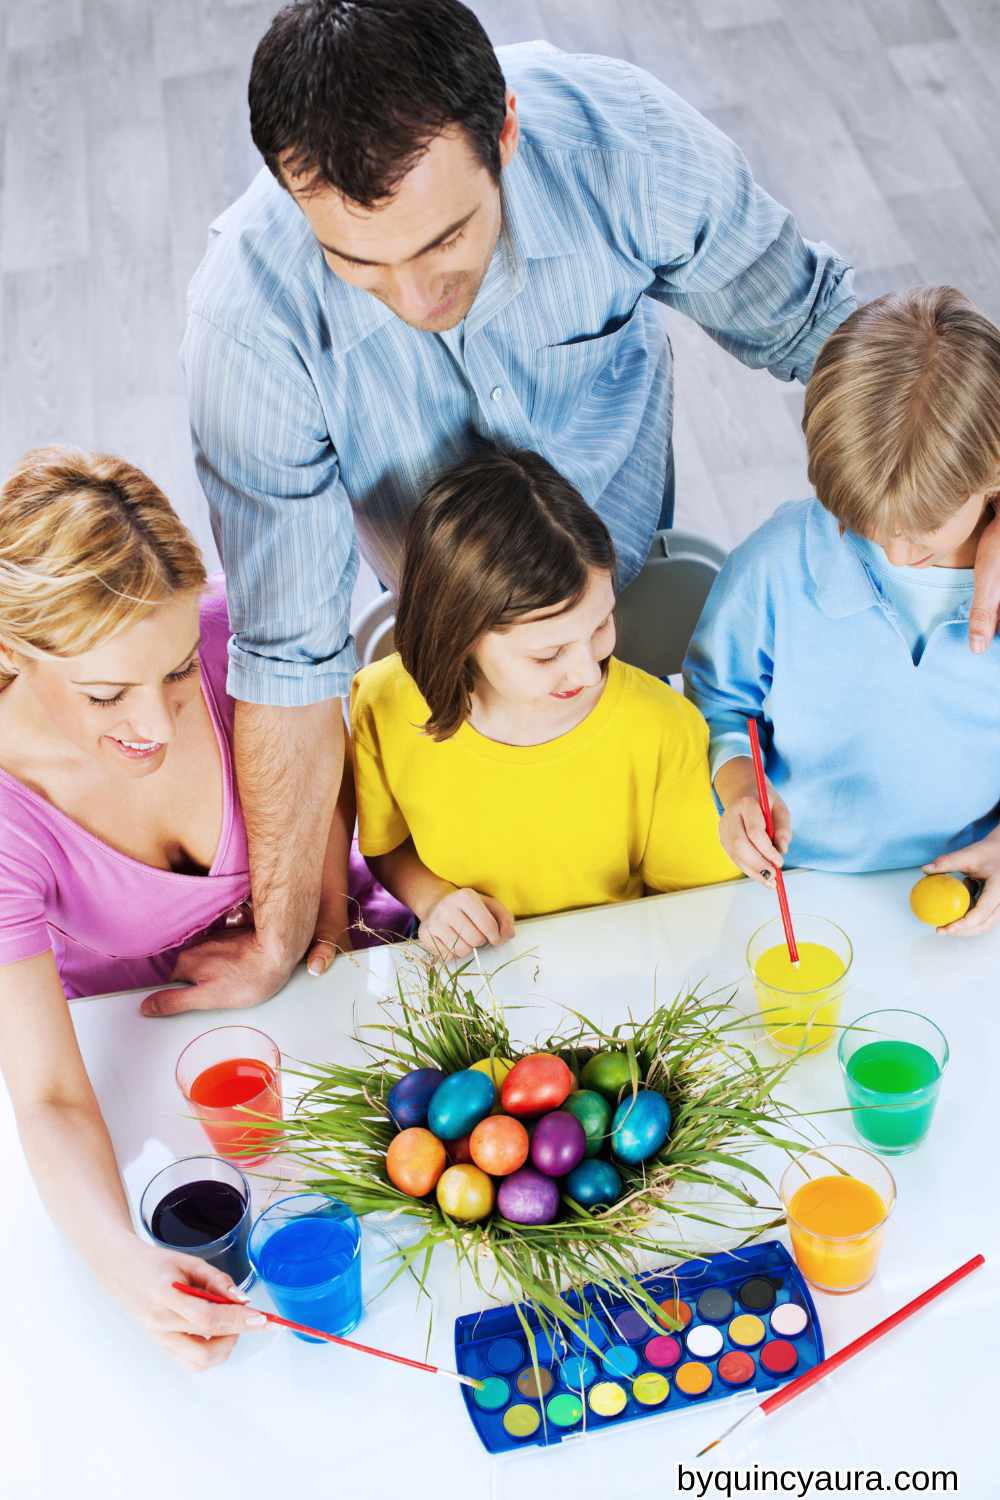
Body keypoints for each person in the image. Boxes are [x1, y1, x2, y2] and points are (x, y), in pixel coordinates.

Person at [178, 0, 863, 1010]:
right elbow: (287, 655)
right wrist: (282, 928)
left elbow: (822, 330)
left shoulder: (621, 146)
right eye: (358, 263)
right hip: (436, 618)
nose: (414, 299)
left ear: (503, 129)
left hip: (620, 568)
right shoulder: (248, 323)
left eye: (446, 240)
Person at [0, 447, 351, 1367]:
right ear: (9, 651)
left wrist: (319, 920)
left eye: (174, 673)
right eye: (107, 693)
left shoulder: (233, 628)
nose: (155, 725)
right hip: (151, 1050)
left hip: (317, 985)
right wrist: (128, 1269)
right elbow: (45, 1094)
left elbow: (324, 763)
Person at [684, 287, 1000, 936]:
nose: (897, 550)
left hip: (965, 884)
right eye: (863, 522)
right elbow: (721, 701)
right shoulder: (777, 563)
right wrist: (742, 789)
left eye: (927, 527)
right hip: (791, 890)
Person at [351, 447, 736, 958]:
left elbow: (695, 909)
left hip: (628, 977)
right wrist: (434, 900)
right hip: (471, 978)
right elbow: (385, 846)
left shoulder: (663, 729)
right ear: (459, 636)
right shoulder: (383, 704)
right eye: (547, 653)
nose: (586, 670)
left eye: (601, 624)